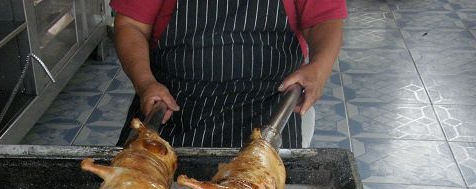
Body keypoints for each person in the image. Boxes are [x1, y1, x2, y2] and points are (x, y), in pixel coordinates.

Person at [111, 0, 346, 148]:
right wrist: (145, 82)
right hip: (173, 113)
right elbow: (131, 25)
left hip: (268, 115)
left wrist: (319, 68)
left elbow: (324, 20)